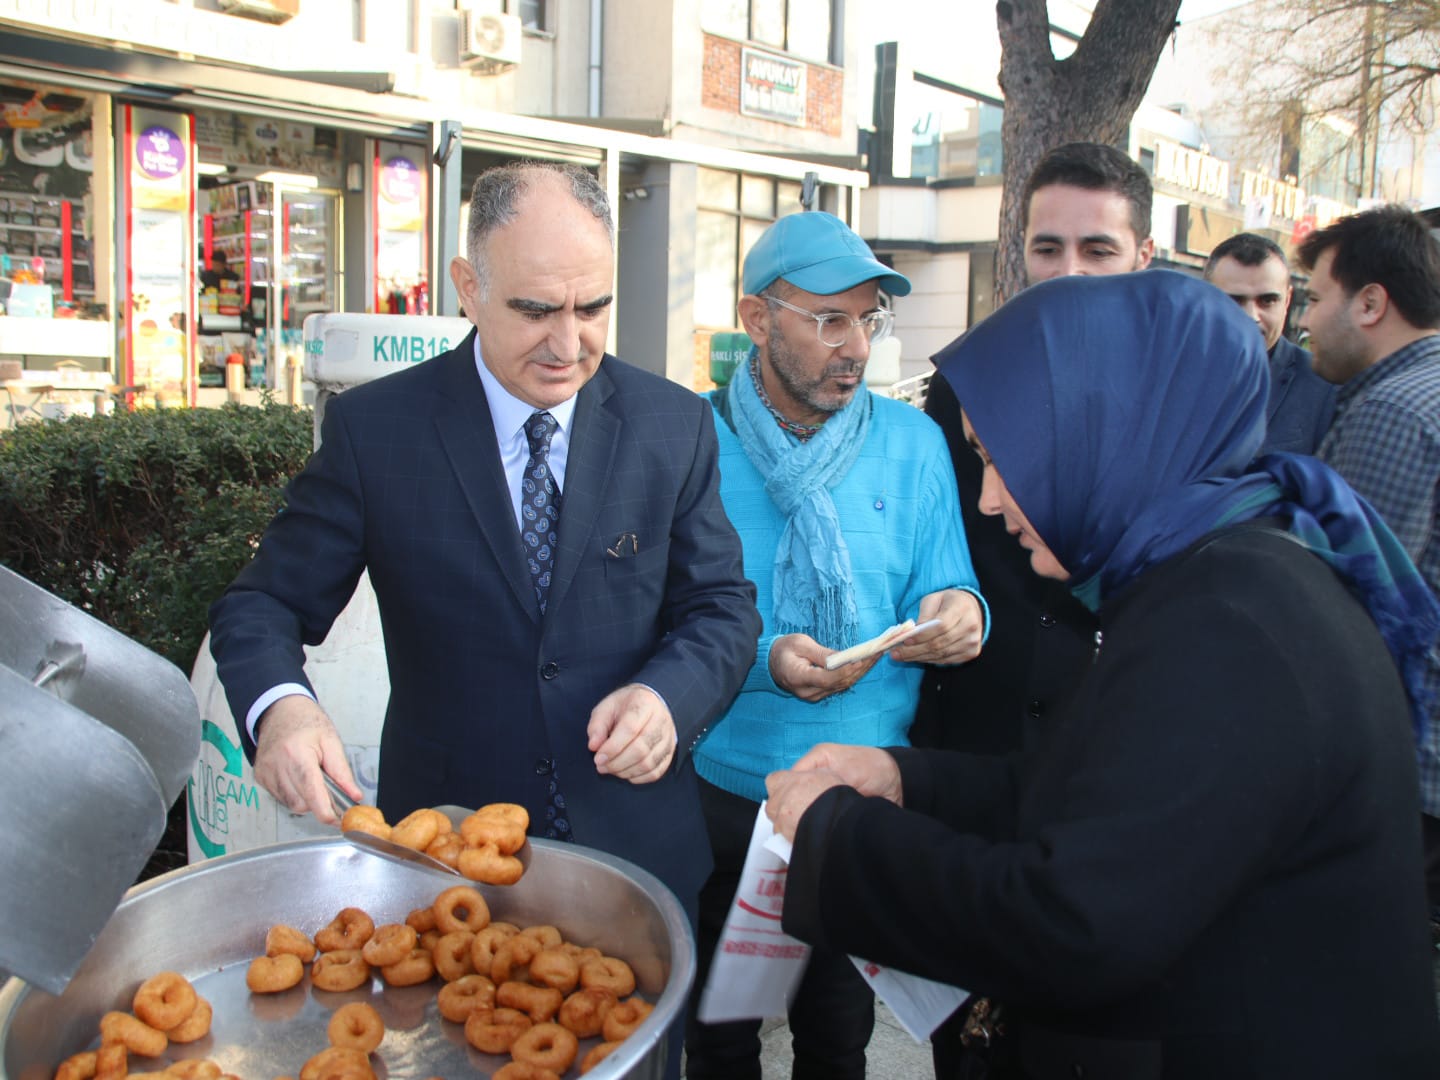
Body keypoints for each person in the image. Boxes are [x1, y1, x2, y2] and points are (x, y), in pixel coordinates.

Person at [765, 269, 1440, 1078]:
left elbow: (1072, 924)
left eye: (999, 459)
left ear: (1098, 436)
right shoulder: (1205, 574)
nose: (986, 499)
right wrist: (905, 781)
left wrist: (840, 838)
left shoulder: (1231, 625)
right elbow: (1098, 793)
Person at [208, 163, 762, 1073]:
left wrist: (669, 698)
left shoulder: (672, 425)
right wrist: (283, 708)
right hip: (444, 880)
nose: (569, 342)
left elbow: (721, 607)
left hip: (638, 866)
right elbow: (262, 602)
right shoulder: (378, 432)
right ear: (468, 288)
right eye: (536, 309)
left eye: (593, 308)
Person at [683, 211, 988, 1080]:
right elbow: (664, 618)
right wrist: (761, 659)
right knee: (721, 1037)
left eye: (867, 319)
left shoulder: (913, 442)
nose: (854, 345)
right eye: (828, 319)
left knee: (836, 1036)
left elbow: (952, 578)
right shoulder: (692, 444)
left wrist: (961, 614)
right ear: (756, 319)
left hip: (862, 797)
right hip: (727, 793)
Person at [913, 140, 1155, 1077]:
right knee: (962, 1038)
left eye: (1096, 250)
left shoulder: (1178, 396)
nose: (1068, 272)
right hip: (976, 751)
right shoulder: (959, 386)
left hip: (1114, 766)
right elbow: (936, 543)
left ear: (1141, 256)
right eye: (1047, 247)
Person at [1296, 204, 1440, 931]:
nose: (1305, 322)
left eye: (1315, 298)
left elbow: (1344, 608)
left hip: (1411, 773)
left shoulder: (1395, 412)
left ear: (1372, 301)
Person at [1203, 232, 1335, 454]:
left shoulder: (1323, 388)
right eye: (1234, 300)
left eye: (1267, 301)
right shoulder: (1170, 375)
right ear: (1205, 299)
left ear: (1287, 301)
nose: (1251, 315)